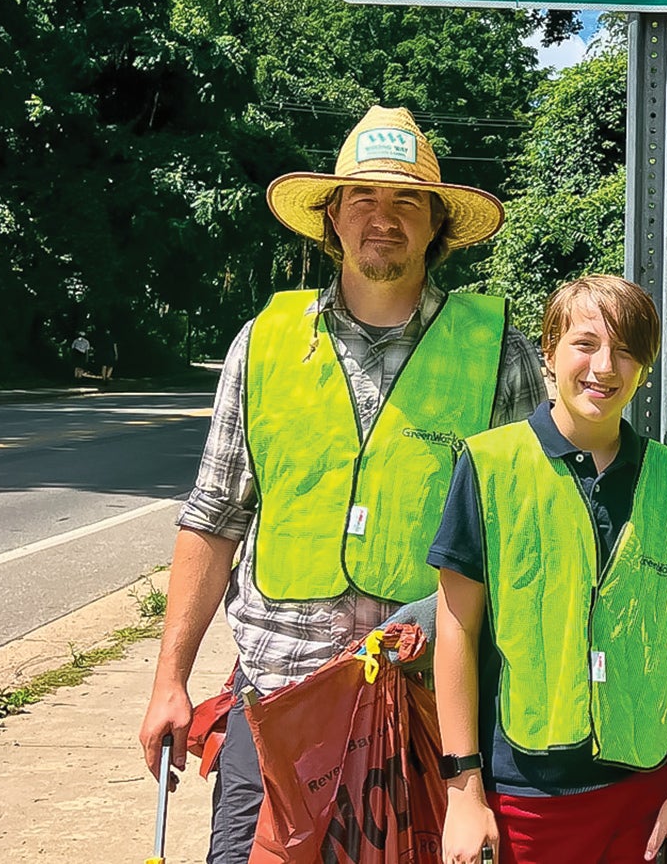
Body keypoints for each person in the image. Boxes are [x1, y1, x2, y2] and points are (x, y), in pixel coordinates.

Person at [137, 106, 547, 864]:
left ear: (437, 227)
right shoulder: (262, 343)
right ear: (332, 218)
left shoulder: (502, 356)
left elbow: (526, 547)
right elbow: (214, 516)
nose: (381, 218)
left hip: (427, 712)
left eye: (406, 202)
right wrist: (171, 680)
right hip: (276, 703)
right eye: (361, 198)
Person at [430, 275, 667, 864]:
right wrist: (463, 789)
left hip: (644, 790)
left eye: (627, 350)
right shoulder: (489, 465)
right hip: (528, 793)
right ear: (549, 349)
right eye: (585, 343)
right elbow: (456, 628)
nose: (605, 367)